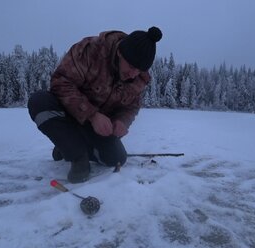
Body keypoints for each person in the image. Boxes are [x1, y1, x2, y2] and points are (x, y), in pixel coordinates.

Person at [28, 26, 162, 183]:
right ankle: (77, 155)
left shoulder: (139, 78)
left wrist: (122, 121)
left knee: (116, 158)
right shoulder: (91, 50)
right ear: (120, 52)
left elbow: (131, 107)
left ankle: (67, 144)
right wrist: (92, 114)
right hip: (68, 113)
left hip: (95, 128)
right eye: (131, 67)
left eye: (139, 70)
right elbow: (60, 82)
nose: (133, 74)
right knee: (39, 102)